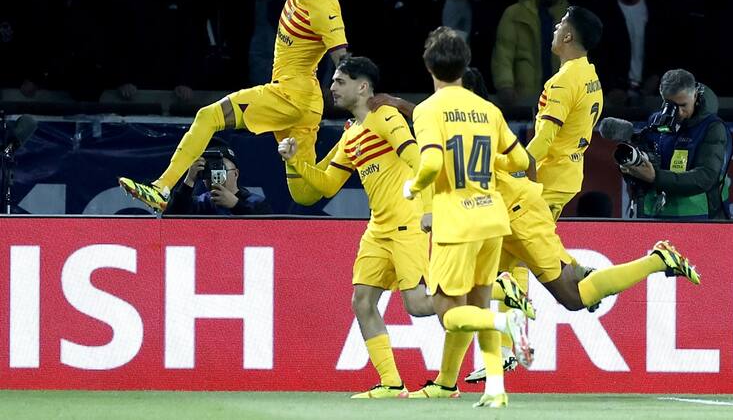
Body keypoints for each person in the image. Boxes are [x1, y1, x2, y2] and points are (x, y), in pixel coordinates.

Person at [370, 68, 702, 386]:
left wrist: (526, 196)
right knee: (472, 295)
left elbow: (524, 160)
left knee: (573, 297)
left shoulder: (467, 122)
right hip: (498, 217)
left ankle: (656, 260)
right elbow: (520, 160)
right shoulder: (479, 120)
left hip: (517, 215)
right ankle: (463, 372)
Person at [119, 0, 348, 211]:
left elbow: (341, 57)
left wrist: (355, 101)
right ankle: (347, 143)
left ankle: (161, 188)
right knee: (305, 194)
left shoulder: (325, 11)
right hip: (305, 105)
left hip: (291, 96)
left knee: (208, 116)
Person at [276, 56, 438, 398]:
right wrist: (294, 163)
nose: (332, 87)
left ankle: (485, 293)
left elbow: (418, 161)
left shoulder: (386, 116)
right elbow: (327, 185)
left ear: (362, 87)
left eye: (340, 81)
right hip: (378, 228)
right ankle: (392, 383)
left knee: (417, 305)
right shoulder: (351, 134)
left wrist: (428, 209)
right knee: (362, 302)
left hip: (407, 221)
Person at [402, 27, 532, 408]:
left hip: (456, 223)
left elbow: (431, 163)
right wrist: (490, 163)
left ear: (429, 66)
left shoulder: (428, 110)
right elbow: (520, 159)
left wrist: (413, 186)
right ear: (466, 65)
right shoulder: (488, 110)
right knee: (479, 306)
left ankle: (504, 323)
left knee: (450, 314)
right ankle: (495, 387)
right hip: (491, 218)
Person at [621, 69, 733, 220]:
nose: (679, 112)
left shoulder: (713, 127)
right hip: (657, 215)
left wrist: (655, 177)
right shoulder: (656, 122)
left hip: (702, 217)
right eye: (671, 105)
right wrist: (634, 168)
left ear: (695, 95)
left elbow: (706, 177)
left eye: (683, 105)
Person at [527, 5, 604, 221]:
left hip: (550, 178)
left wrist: (513, 166)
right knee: (540, 240)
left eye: (561, 24)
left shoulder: (563, 82)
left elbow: (544, 139)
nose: (556, 27)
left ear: (568, 36)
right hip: (569, 175)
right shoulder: (590, 75)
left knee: (521, 238)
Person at [492, 0, 569, 108]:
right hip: (524, 94)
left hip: (560, 95)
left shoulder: (569, 17)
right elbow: (504, 52)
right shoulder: (515, 14)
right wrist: (505, 84)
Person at [163, 143, 272, 215]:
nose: (215, 174)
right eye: (208, 170)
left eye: (221, 169)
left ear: (235, 174)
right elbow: (171, 220)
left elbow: (269, 231)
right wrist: (190, 179)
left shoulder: (255, 202)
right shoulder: (201, 202)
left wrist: (236, 205)